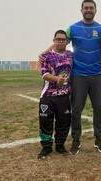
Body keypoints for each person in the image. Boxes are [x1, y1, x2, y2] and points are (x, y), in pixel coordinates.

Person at [66, 0, 101, 154]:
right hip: (78, 76)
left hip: (97, 76)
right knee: (76, 110)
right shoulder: (72, 28)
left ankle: (99, 141)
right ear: (81, 10)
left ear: (96, 10)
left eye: (91, 8)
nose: (89, 10)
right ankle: (76, 141)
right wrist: (46, 52)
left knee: (98, 109)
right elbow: (59, 42)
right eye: (86, 8)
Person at [38, 30, 72, 159]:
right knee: (45, 122)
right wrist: (57, 79)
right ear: (54, 41)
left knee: (63, 122)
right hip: (48, 96)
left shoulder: (71, 55)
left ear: (67, 42)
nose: (61, 41)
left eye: (63, 39)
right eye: (58, 39)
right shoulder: (46, 56)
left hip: (64, 96)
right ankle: (46, 147)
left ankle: (60, 145)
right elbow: (45, 74)